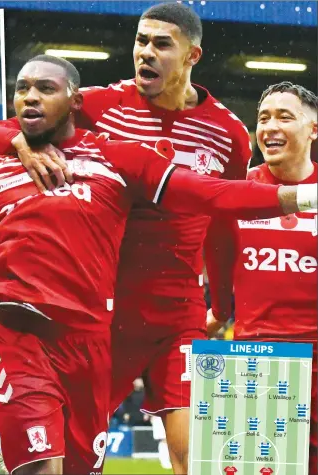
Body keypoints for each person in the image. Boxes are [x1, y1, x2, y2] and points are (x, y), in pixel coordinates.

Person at [0, 56, 316, 475]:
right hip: (19, 335)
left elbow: (213, 194)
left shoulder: (118, 160)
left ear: (76, 101)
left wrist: (304, 196)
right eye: (22, 89)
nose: (30, 97)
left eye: (46, 88)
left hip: (95, 344)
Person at [0, 5, 253, 471]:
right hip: (107, 314)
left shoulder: (228, 134)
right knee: (75, 457)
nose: (145, 52)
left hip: (178, 314)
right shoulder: (100, 106)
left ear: (192, 55)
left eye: (161, 44)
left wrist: (223, 307)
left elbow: (225, 224)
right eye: (141, 41)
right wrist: (22, 143)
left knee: (195, 457)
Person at [208, 82, 318, 474]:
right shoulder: (236, 190)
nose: (270, 127)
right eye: (263, 118)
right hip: (258, 364)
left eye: (284, 117)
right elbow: (215, 260)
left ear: (313, 129)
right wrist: (217, 312)